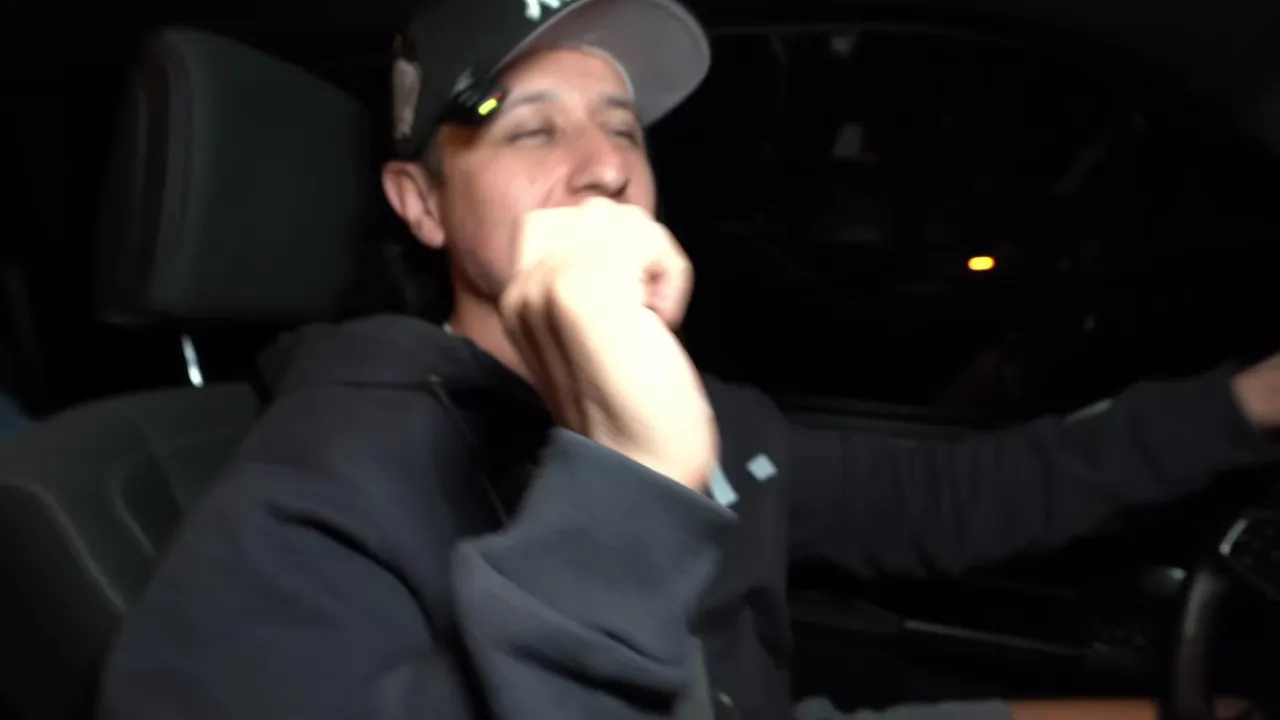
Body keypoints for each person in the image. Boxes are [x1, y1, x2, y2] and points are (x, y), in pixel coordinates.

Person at [96, 0, 1280, 718]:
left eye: (623, 128)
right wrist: (630, 481)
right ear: (420, 204)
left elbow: (941, 499)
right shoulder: (315, 487)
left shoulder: (702, 405)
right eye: (530, 129)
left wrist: (1245, 405)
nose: (607, 166)